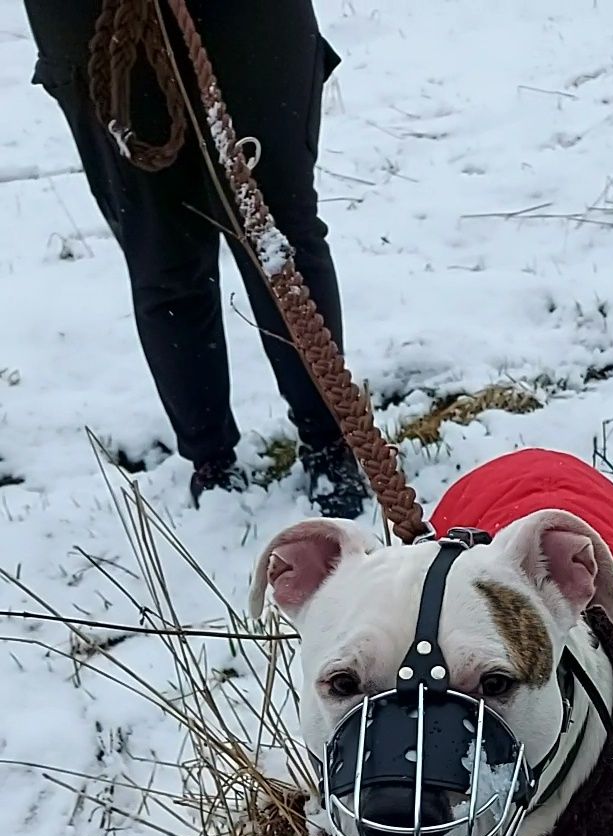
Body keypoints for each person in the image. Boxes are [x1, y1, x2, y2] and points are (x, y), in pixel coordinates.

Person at [23, 0, 368, 516]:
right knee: (162, 255)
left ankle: (330, 444)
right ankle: (211, 464)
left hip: (245, 19)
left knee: (277, 231)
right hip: (94, 17)